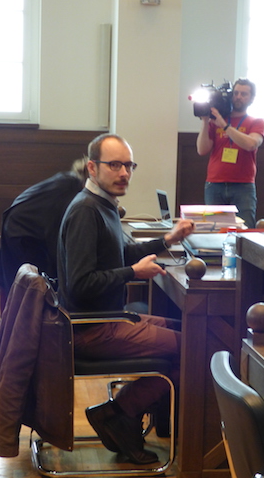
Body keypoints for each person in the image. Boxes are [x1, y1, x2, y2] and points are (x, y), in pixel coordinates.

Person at [57, 133, 194, 465]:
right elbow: (80, 284)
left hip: (107, 318)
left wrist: (166, 239)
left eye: (128, 165)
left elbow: (118, 255)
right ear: (92, 167)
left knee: (192, 333)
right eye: (114, 165)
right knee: (194, 348)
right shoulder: (87, 211)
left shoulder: (102, 205)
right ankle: (119, 414)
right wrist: (133, 272)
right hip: (89, 328)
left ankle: (119, 415)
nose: (124, 173)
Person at [0, 158, 88, 300]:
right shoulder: (71, 188)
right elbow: (56, 228)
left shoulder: (67, 179)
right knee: (33, 282)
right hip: (23, 230)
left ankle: (10, 318)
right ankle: (26, 318)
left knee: (20, 278)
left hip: (17, 224)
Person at [196, 78, 264, 228]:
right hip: (215, 184)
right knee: (214, 229)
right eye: (236, 93)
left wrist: (225, 125)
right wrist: (205, 121)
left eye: (244, 94)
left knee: (245, 231)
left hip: (243, 185)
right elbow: (202, 149)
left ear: (252, 98)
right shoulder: (216, 122)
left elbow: (251, 144)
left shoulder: (256, 122)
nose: (238, 97)